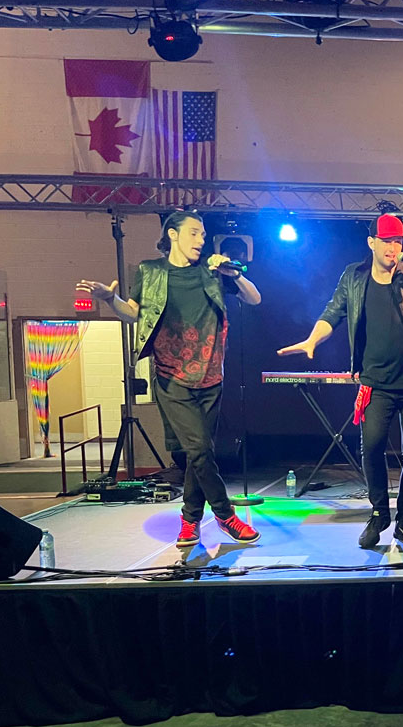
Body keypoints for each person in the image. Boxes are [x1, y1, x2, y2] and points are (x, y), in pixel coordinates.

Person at [277, 214, 403, 549]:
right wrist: (311, 340)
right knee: (373, 447)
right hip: (376, 383)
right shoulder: (354, 276)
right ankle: (379, 513)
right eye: (387, 241)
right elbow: (333, 313)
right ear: (372, 243)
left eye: (398, 241)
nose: (393, 248)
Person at [76, 210, 263, 547]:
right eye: (194, 233)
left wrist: (232, 273)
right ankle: (225, 515)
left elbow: (254, 298)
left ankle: (189, 521)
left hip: (211, 375)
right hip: (171, 375)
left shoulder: (211, 272)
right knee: (199, 450)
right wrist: (109, 299)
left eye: (203, 234)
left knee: (198, 454)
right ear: (172, 234)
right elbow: (134, 313)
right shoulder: (151, 271)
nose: (201, 240)